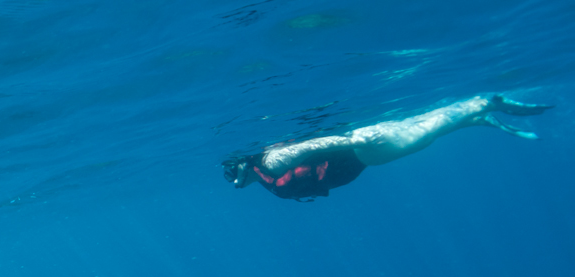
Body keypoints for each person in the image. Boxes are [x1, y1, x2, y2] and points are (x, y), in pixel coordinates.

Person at [223, 95, 552, 201]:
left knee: (429, 129)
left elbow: (317, 144)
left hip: (366, 148)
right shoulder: (268, 172)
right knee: (427, 129)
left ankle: (488, 103)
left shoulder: (271, 160)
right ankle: (481, 118)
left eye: (231, 172)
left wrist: (354, 140)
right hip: (366, 150)